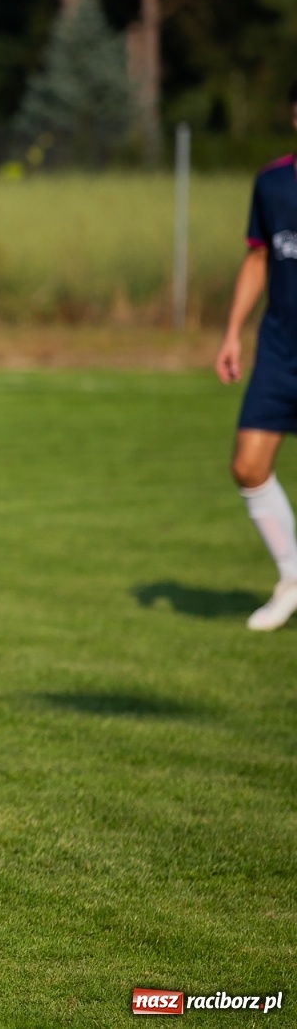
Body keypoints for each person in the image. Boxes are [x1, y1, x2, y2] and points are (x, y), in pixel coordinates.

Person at [216, 79, 297, 631]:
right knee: (248, 465)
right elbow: (257, 258)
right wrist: (231, 333)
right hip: (281, 348)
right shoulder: (272, 184)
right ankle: (293, 576)